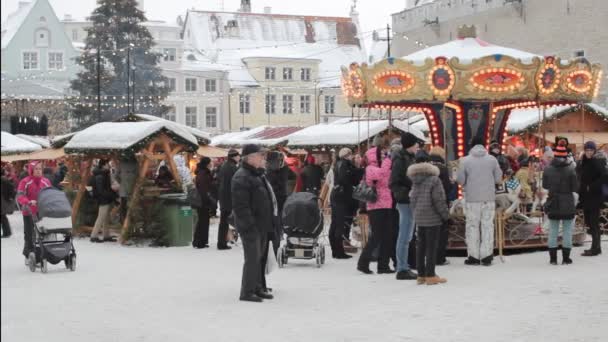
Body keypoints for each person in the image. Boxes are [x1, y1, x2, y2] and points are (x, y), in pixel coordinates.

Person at [232, 144, 278, 303]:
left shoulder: (257, 175)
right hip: (251, 227)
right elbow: (241, 207)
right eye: (260, 155)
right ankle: (247, 292)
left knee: (259, 258)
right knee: (252, 259)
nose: (263, 158)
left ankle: (257, 287)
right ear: (250, 157)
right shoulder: (241, 176)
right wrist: (250, 226)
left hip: (262, 225)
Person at [457, 137, 502, 266]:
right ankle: (487, 255)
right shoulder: (492, 160)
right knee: (487, 225)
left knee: (472, 226)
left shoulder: (464, 160)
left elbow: (460, 180)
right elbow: (498, 178)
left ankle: (473, 256)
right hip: (488, 198)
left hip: (472, 198)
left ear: (471, 146)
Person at [408, 158, 450, 285]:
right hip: (432, 217)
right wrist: (446, 216)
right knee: (431, 246)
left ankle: (421, 275)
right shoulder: (434, 180)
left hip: (419, 217)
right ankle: (430, 275)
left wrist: (416, 212)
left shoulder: (415, 181)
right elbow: (439, 200)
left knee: (421, 246)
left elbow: (412, 199)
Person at [357, 144, 394, 274]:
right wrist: (388, 160)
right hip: (376, 207)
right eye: (382, 155)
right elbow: (381, 174)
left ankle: (383, 265)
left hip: (387, 204)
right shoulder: (370, 168)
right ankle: (363, 262)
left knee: (387, 237)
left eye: (385, 155)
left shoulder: (383, 166)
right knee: (376, 236)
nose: (385, 156)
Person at [389, 132, 419, 280]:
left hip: (408, 198)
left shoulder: (408, 158)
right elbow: (394, 181)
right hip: (404, 200)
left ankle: (404, 266)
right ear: (410, 145)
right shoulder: (400, 159)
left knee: (407, 235)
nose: (418, 146)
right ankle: (401, 268)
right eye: (416, 144)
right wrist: (409, 189)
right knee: (405, 235)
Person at [543, 144, 578, 265]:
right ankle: (566, 258)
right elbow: (575, 187)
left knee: (553, 230)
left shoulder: (547, 169)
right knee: (567, 231)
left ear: (554, 155)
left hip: (553, 201)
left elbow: (545, 186)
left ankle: (553, 259)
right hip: (567, 201)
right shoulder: (571, 169)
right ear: (566, 156)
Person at [577, 141, 608, 256]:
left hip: (594, 197)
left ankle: (595, 248)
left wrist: (592, 186)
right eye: (587, 150)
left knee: (594, 223)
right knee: (589, 223)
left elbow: (605, 176)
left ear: (594, 151)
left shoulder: (597, 162)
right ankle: (596, 247)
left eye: (591, 150)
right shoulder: (584, 162)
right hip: (586, 197)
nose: (589, 152)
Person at [17, 161, 52, 259]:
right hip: (28, 211)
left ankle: (42, 252)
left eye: (40, 168)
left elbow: (50, 193)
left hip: (42, 211)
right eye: (36, 169)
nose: (38, 171)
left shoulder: (46, 181)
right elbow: (20, 195)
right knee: (29, 233)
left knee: (42, 232)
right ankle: (28, 254)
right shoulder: (25, 181)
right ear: (31, 170)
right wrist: (28, 201)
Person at [329, 148, 360, 259]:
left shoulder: (337, 163)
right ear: (348, 155)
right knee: (339, 224)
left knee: (335, 223)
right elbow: (346, 179)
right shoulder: (344, 164)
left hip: (336, 196)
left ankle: (335, 250)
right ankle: (338, 251)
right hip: (341, 197)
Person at [428, 146, 453, 266]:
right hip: (441, 202)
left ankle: (429, 256)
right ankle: (440, 257)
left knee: (429, 230)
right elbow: (447, 188)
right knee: (442, 230)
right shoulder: (443, 168)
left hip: (427, 203)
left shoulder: (426, 166)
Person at [217, 149, 240, 250]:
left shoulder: (225, 166)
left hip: (224, 197)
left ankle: (222, 241)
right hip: (228, 198)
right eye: (238, 156)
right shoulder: (231, 167)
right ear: (234, 157)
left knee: (224, 221)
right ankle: (222, 243)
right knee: (226, 221)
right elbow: (234, 184)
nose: (239, 158)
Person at [91, 159, 118, 243]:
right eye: (107, 164)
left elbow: (107, 188)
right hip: (103, 199)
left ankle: (106, 235)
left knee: (106, 217)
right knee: (101, 217)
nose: (109, 165)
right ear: (103, 165)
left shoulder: (105, 174)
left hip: (106, 198)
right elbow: (101, 190)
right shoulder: (100, 175)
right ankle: (94, 236)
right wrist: (110, 195)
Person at [193, 157, 215, 249]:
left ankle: (199, 241)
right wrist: (207, 199)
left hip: (202, 199)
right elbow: (203, 188)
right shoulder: (203, 172)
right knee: (203, 220)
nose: (211, 164)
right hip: (203, 200)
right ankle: (200, 242)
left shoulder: (202, 171)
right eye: (210, 162)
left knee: (203, 220)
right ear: (207, 163)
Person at [116, 157, 138, 224]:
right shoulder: (135, 164)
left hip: (123, 189)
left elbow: (116, 176)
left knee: (123, 206)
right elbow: (139, 175)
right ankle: (130, 222)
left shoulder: (121, 164)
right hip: (133, 189)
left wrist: (121, 181)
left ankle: (123, 222)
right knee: (132, 206)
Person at [1, 168, 17, 238]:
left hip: (2, 200)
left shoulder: (3, 179)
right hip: (3, 200)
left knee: (2, 217)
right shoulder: (4, 179)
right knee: (2, 217)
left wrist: (10, 196)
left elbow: (11, 188)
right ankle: (7, 232)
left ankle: (7, 232)